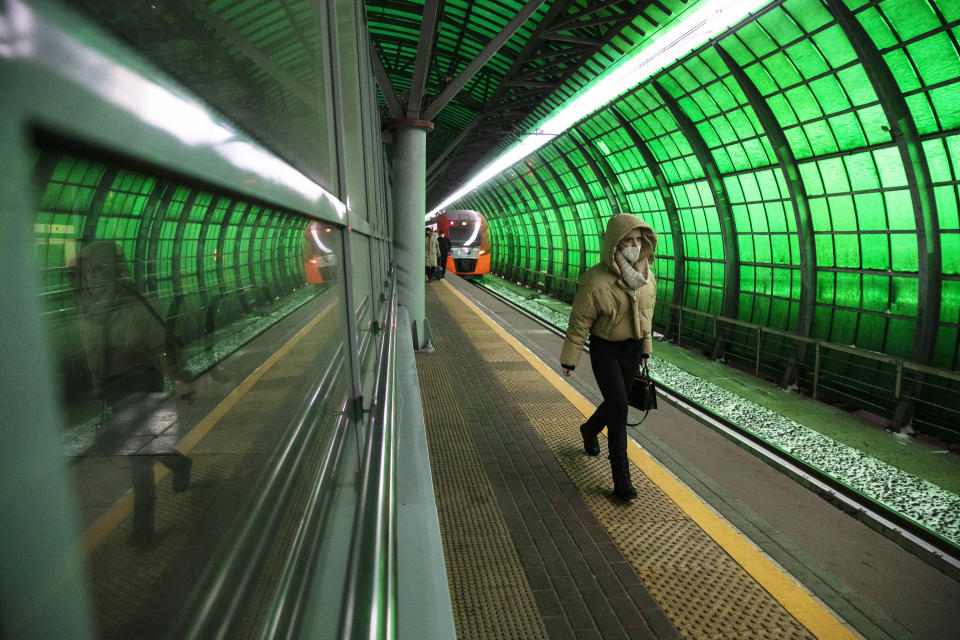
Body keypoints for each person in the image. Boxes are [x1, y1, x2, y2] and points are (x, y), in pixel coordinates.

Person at [72, 240, 193, 547]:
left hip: (142, 385)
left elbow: (163, 345)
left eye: (100, 270)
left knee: (139, 458)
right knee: (144, 447)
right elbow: (92, 354)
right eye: (89, 271)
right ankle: (180, 464)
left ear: (115, 271)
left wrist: (181, 378)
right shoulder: (85, 310)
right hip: (116, 392)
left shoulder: (133, 306)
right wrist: (99, 384)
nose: (93, 278)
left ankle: (143, 529)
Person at [560, 213, 657, 500]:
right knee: (619, 408)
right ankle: (621, 479)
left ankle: (589, 429)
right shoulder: (595, 279)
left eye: (639, 240)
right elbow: (580, 321)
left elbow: (647, 315)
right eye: (628, 239)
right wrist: (570, 358)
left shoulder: (648, 276)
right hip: (605, 349)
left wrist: (645, 349)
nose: (634, 245)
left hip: (632, 349)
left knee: (619, 401)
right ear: (614, 242)